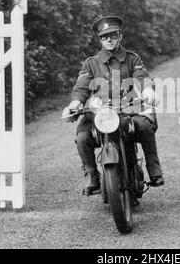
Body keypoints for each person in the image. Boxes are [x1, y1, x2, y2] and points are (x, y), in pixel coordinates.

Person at [62, 16, 165, 195]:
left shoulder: (132, 59)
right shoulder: (91, 63)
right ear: (100, 40)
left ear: (120, 36)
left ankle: (154, 171)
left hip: (129, 110)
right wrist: (75, 104)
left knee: (145, 126)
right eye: (104, 37)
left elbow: (143, 77)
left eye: (112, 35)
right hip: (101, 113)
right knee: (83, 137)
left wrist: (148, 90)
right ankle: (92, 176)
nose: (109, 39)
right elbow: (81, 88)